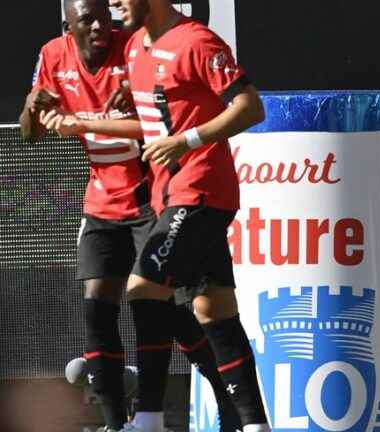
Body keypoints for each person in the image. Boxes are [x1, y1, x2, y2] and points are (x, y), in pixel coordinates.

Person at [45, 0, 269, 430]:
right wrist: (85, 124)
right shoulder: (134, 50)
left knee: (145, 287)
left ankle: (146, 419)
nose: (113, 4)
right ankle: (254, 424)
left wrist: (188, 140)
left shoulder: (196, 41)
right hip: (169, 196)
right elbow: (148, 125)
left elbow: (250, 107)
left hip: (200, 190)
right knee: (213, 309)